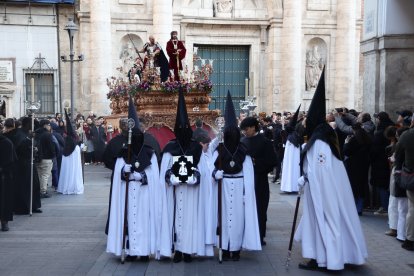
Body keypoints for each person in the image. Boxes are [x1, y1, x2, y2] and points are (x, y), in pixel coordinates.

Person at [294, 68, 367, 271]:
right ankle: (318, 257)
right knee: (318, 224)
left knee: (326, 223)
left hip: (324, 195)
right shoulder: (323, 137)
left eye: (307, 120)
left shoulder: (320, 142)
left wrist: (306, 178)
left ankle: (328, 260)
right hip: (322, 191)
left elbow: (321, 171)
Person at [106, 98, 170, 260]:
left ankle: (143, 251)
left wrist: (142, 176)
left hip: (144, 194)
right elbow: (117, 171)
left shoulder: (149, 153)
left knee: (143, 221)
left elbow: (155, 175)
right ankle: (130, 251)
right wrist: (123, 170)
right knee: (128, 220)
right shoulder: (123, 153)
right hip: (127, 191)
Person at [160, 88, 213, 262]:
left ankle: (189, 250)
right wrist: (169, 176)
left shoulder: (195, 147)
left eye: (185, 128)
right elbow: (165, 171)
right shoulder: (170, 147)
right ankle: (178, 251)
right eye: (179, 129)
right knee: (175, 219)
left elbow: (203, 170)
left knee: (191, 220)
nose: (182, 131)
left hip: (192, 192)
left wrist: (196, 176)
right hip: (175, 192)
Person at [211, 91, 261, 261]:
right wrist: (215, 174)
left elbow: (248, 174)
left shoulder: (243, 151)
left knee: (238, 220)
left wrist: (247, 193)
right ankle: (224, 248)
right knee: (224, 218)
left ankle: (236, 249)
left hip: (239, 187)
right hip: (224, 186)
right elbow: (211, 165)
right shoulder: (219, 149)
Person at [240, 116, 278, 246]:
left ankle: (260, 236)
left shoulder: (265, 142)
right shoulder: (242, 141)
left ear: (253, 127)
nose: (245, 132)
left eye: (246, 129)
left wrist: (256, 164)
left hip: (259, 180)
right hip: (245, 181)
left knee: (260, 209)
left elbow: (272, 161)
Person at [343, 123, 372, 215]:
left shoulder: (353, 140)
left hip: (353, 165)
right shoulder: (368, 138)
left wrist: (346, 143)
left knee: (353, 185)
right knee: (362, 185)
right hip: (364, 165)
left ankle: (354, 207)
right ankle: (360, 208)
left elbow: (346, 152)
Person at [395, 116, 414, 251]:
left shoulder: (407, 135)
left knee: (412, 209)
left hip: (412, 176)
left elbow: (398, 156)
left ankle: (410, 239)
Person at [57, 111, 84, 195]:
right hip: (71, 157)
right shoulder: (70, 139)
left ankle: (70, 185)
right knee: (71, 171)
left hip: (71, 157)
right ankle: (71, 186)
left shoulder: (70, 138)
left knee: (71, 171)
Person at [280, 105, 304, 193]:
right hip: (292, 145)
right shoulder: (291, 135)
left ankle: (293, 186)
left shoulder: (299, 127)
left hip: (295, 145)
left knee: (292, 166)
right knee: (289, 165)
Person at [35, 119, 56, 198]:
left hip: (37, 157)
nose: (50, 126)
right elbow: (51, 146)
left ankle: (39, 190)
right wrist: (53, 155)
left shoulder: (36, 133)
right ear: (45, 125)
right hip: (46, 157)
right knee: (45, 175)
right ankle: (43, 191)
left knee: (39, 175)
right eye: (49, 125)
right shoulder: (47, 134)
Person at [0, 132, 17, 231]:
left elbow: (11, 161)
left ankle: (4, 221)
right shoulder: (7, 142)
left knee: (4, 200)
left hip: (4, 177)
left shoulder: (6, 142)